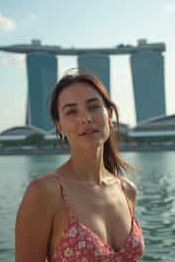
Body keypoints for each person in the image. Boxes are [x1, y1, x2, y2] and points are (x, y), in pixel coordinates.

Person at [15, 70, 145, 262]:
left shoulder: (127, 191)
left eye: (93, 107)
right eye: (71, 111)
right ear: (59, 126)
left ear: (109, 114)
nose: (85, 118)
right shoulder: (44, 193)